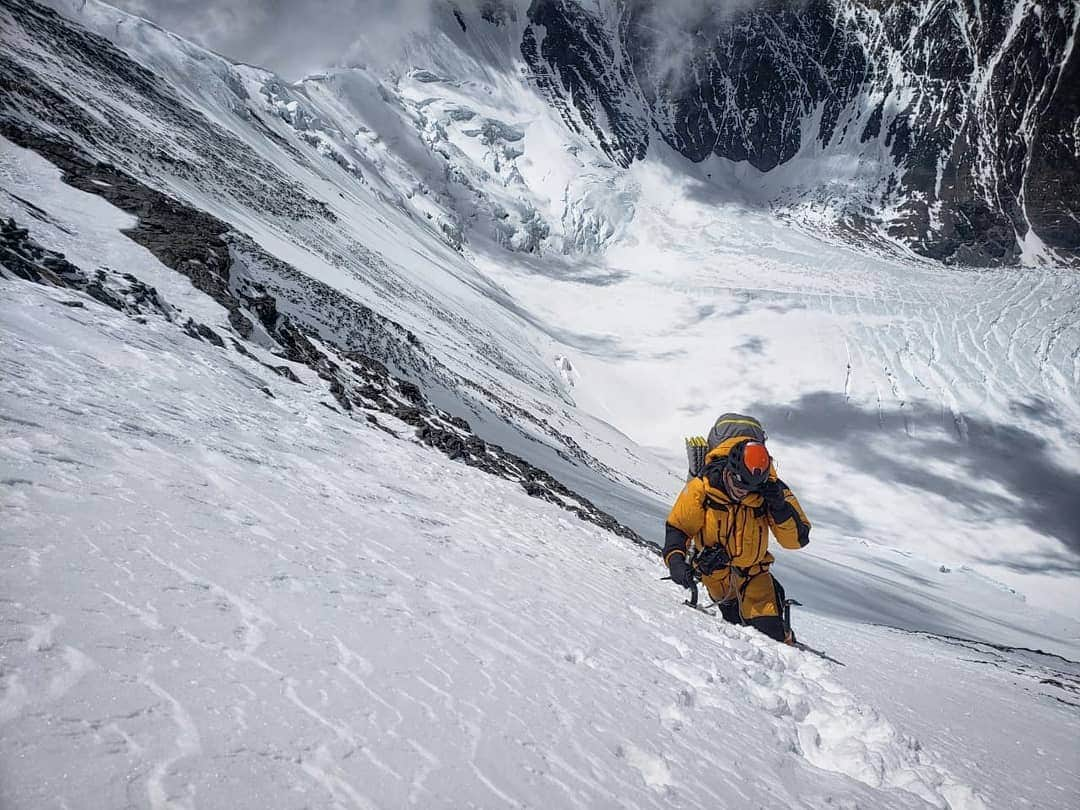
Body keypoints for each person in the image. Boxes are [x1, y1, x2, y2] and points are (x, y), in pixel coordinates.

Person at [664, 414, 810, 643]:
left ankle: (782, 628)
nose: (743, 493)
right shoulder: (703, 486)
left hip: (755, 576)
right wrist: (675, 561)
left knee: (769, 636)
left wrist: (780, 509)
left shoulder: (773, 491)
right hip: (717, 577)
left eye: (750, 489)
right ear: (729, 470)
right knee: (734, 628)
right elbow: (679, 528)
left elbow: (797, 540)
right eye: (739, 485)